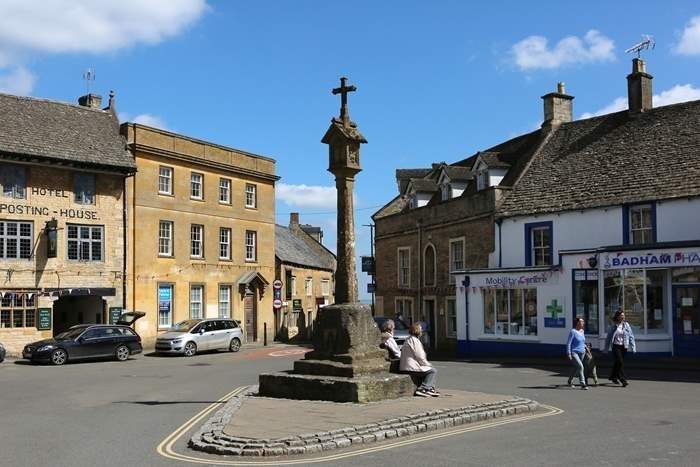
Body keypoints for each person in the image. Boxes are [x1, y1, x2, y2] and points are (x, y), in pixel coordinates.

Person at [400, 323, 439, 397]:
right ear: (417, 330)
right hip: (410, 367)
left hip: (407, 366)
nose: (422, 331)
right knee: (432, 371)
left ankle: (429, 389)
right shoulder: (415, 340)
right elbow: (420, 356)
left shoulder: (409, 339)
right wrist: (428, 364)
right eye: (421, 329)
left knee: (430, 369)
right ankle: (423, 388)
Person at [604, 311, 636, 387]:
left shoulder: (626, 325)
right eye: (621, 315)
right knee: (620, 362)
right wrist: (606, 349)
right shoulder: (613, 326)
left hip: (624, 346)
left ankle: (613, 376)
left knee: (617, 363)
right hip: (615, 346)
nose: (623, 317)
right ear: (617, 317)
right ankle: (623, 379)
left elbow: (631, 336)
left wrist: (633, 347)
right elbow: (608, 338)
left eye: (623, 316)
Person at [566, 316, 588, 390]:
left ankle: (570, 381)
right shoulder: (573, 332)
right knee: (581, 367)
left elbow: (582, 341)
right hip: (574, 352)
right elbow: (569, 343)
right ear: (578, 323)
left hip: (582, 352)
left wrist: (586, 348)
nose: (583, 323)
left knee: (576, 367)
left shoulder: (582, 331)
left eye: (583, 321)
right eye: (582, 321)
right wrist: (569, 353)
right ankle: (583, 384)